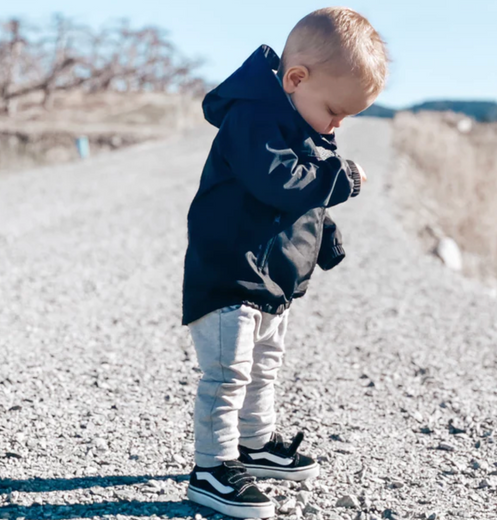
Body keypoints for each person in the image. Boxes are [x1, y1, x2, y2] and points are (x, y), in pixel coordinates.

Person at [181, 7, 389, 518]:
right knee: (229, 373)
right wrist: (343, 180)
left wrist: (324, 236)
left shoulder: (299, 123)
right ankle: (212, 468)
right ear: (296, 79)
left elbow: (297, 203)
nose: (338, 125)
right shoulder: (252, 119)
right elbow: (279, 182)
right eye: (335, 111)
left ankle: (252, 446)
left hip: (271, 279)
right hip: (231, 273)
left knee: (263, 368)